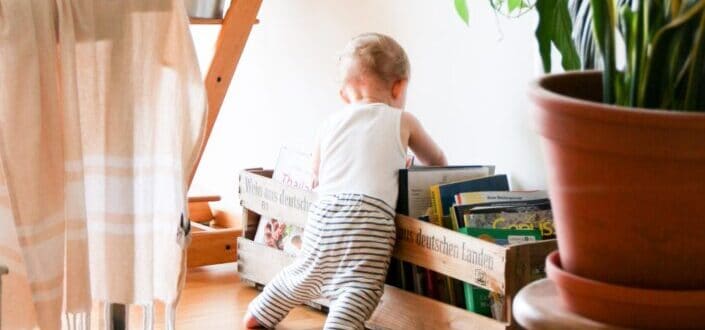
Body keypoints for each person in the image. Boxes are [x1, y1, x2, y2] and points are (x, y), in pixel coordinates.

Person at [244, 32, 447, 329]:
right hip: (369, 221)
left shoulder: (328, 124)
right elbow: (436, 162)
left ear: (344, 95)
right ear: (399, 86)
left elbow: (316, 176)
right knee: (359, 288)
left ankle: (259, 314)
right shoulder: (403, 120)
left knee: (305, 272)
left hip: (325, 215)